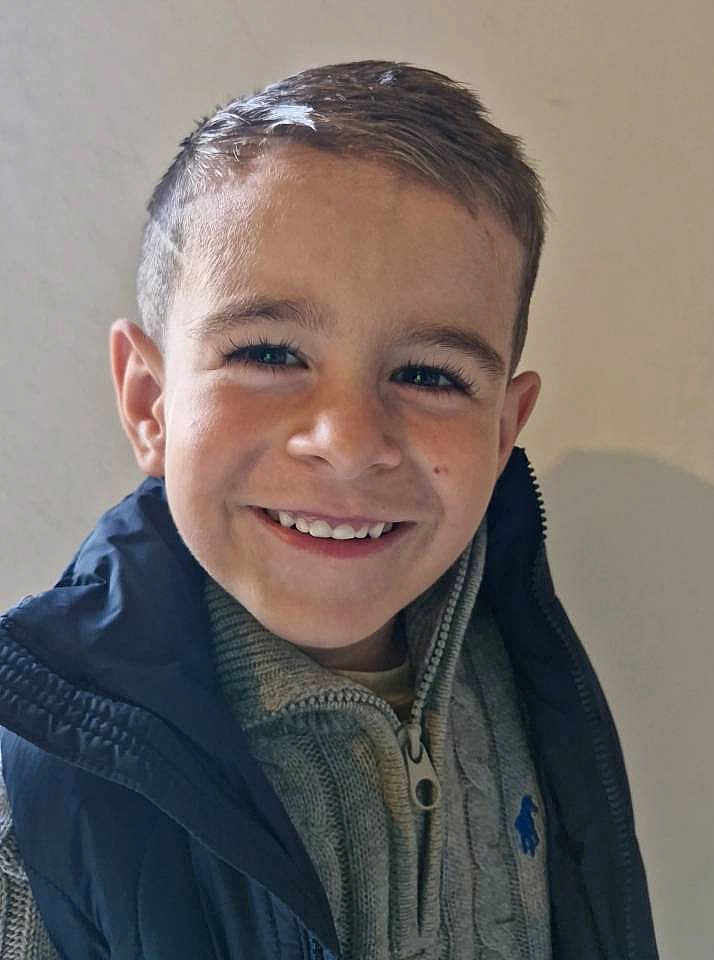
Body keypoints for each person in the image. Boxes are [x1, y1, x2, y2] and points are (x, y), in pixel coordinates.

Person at [0, 59, 659, 959]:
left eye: (430, 375)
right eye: (270, 353)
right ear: (152, 404)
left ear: (504, 431)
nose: (350, 440)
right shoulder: (34, 780)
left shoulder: (521, 653)